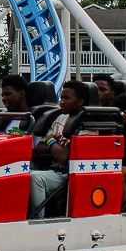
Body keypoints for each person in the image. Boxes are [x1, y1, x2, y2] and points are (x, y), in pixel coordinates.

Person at [28, 80, 89, 218]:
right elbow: (40, 147)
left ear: (80, 102)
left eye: (66, 98)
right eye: (61, 98)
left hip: (73, 175)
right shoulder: (61, 118)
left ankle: (38, 219)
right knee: (21, 175)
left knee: (36, 178)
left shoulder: (87, 123)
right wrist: (54, 144)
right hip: (55, 171)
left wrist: (51, 140)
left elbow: (63, 157)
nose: (61, 102)